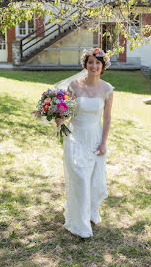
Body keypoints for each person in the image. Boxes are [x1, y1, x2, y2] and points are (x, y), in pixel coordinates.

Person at [55, 48, 114, 238]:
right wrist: (59, 119)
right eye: (90, 62)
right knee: (80, 177)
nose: (94, 66)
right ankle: (79, 224)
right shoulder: (74, 85)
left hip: (95, 137)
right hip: (75, 135)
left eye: (98, 62)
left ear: (103, 66)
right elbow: (67, 110)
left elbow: (106, 119)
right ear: (85, 64)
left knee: (93, 181)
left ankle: (89, 212)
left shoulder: (107, 89)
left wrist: (103, 142)